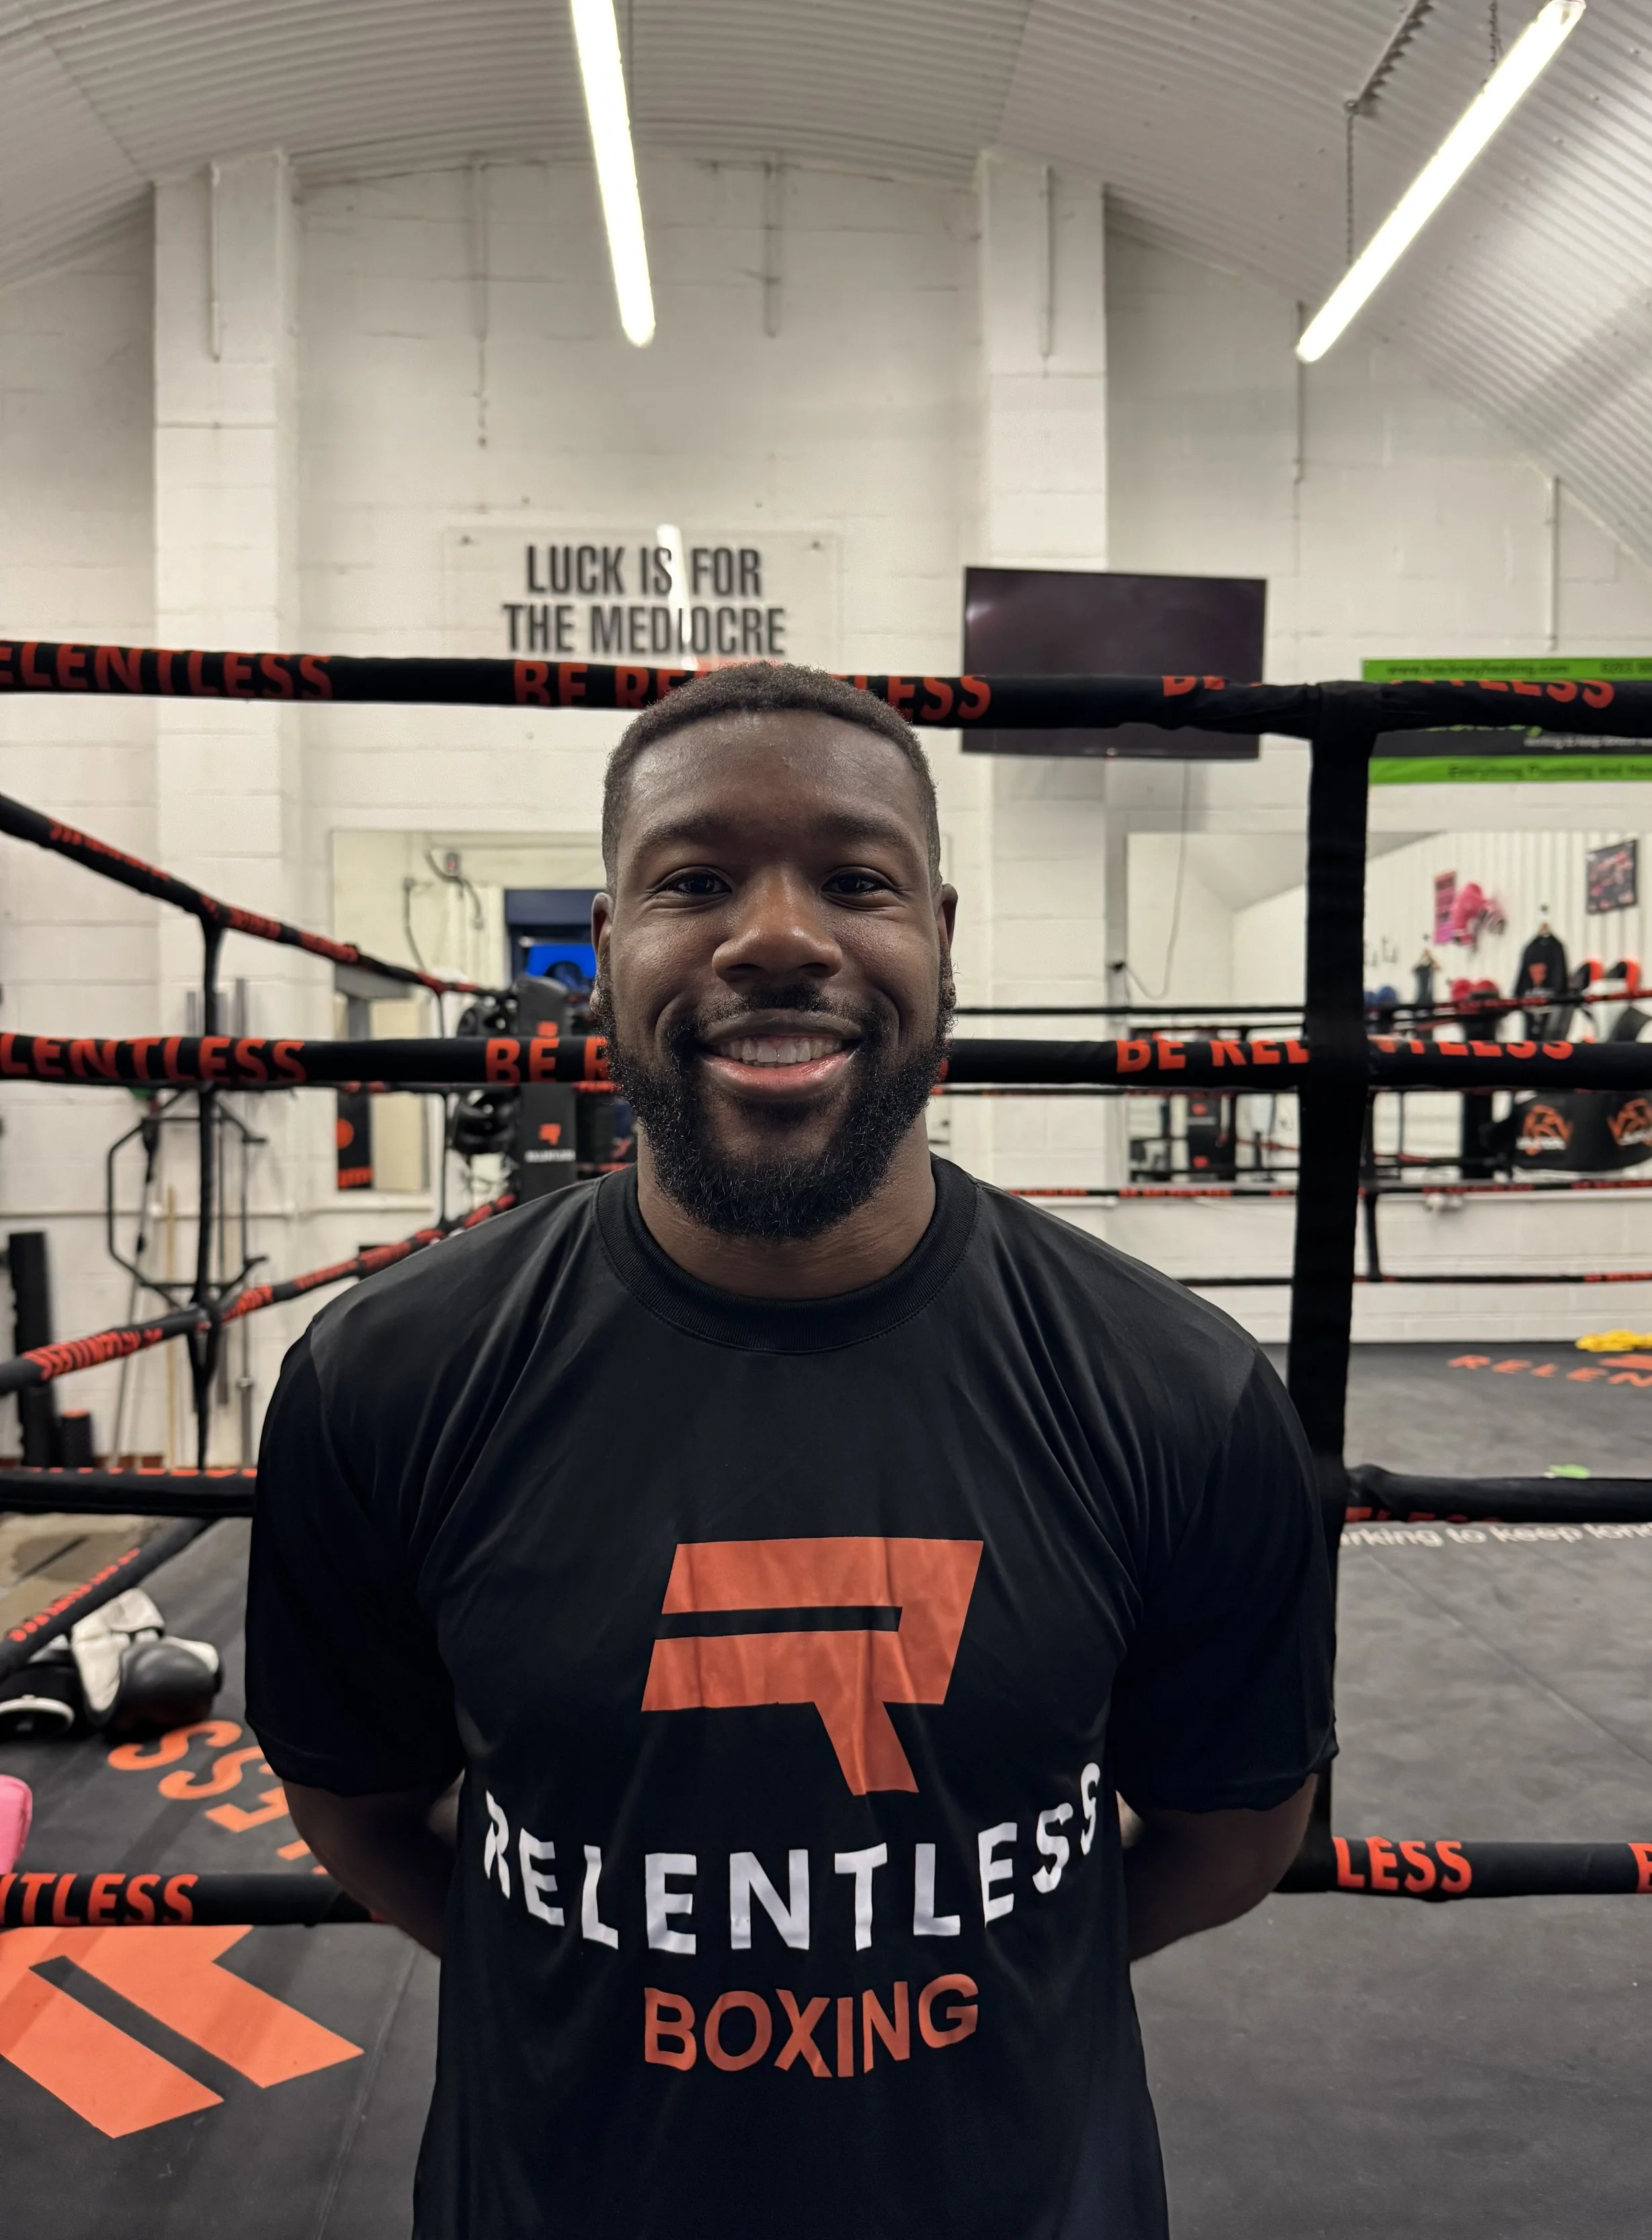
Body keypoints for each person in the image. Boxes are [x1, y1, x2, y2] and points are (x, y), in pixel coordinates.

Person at [246, 661, 1334, 2240]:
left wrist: (973, 1973)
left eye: (853, 880)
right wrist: (584, 1973)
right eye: (693, 880)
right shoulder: (388, 1379)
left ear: (938, 939)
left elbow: (1236, 1831)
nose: (775, 936)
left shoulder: (1174, 1390)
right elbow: (352, 1804)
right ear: (607, 953)